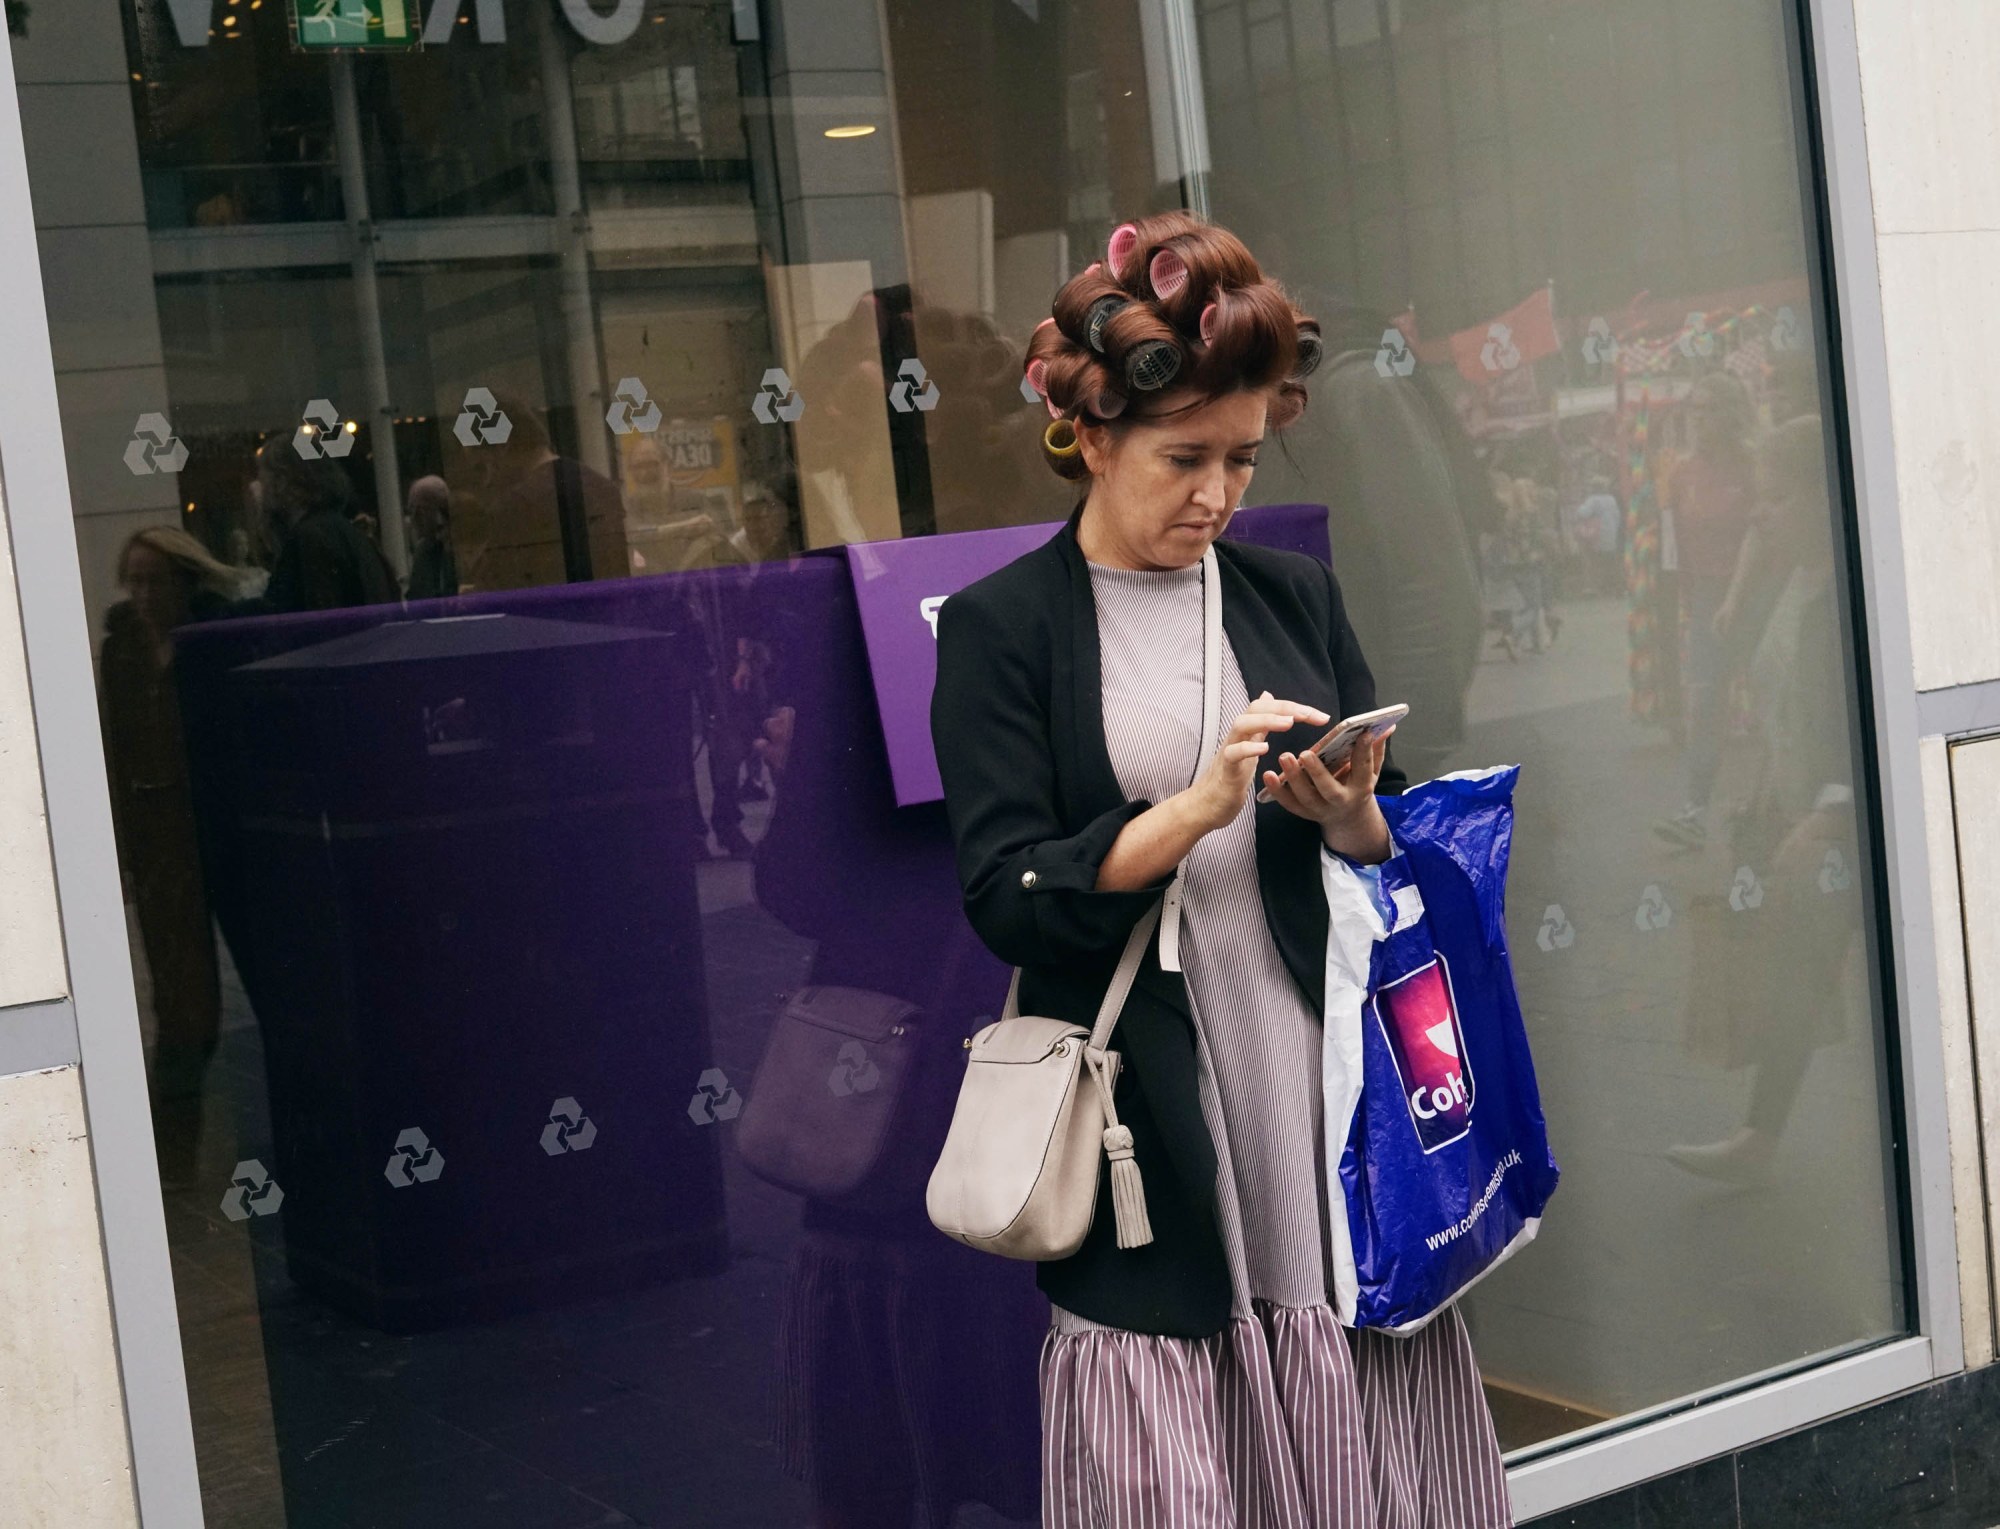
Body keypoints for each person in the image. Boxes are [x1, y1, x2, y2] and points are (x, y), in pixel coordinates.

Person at [932, 212, 1510, 1527]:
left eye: (1243, 460)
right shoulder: (1002, 631)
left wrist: (1354, 815)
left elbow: (1391, 848)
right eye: (1185, 457)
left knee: (1362, 1402)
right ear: (1086, 435)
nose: (1216, 494)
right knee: (1179, 1450)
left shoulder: (1291, 596)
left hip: (1322, 1082)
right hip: (1156, 1109)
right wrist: (1191, 810)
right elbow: (1006, 890)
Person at [99, 527, 243, 1188]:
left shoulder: (211, 642)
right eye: (135, 579)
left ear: (185, 581)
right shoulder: (123, 647)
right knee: (182, 1001)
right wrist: (124, 851)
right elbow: (116, 747)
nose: (144, 592)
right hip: (160, 836)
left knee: (232, 991)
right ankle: (171, 1161)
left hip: (216, 826)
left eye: (156, 579)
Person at [1653, 373, 1757, 847]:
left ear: (1731, 413)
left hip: (1758, 594)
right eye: (1696, 409)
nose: (1701, 419)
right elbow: (1672, 550)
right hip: (1704, 603)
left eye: (1711, 408)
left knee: (1773, 702)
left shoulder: (1755, 464)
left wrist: (1742, 596)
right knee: (1706, 707)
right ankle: (1695, 811)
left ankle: (1771, 807)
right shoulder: (1681, 472)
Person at [257, 441, 399, 613]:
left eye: (263, 478)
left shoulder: (309, 539)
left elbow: (315, 615)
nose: (260, 488)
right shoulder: (350, 534)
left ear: (283, 481)